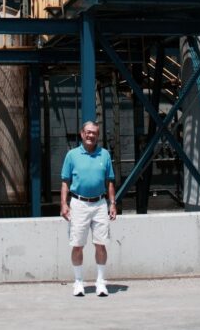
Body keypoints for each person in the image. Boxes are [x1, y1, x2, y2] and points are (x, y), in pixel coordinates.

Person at [61, 120, 117, 297]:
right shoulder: (72, 155)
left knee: (101, 244)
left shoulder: (105, 155)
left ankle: (100, 282)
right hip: (79, 204)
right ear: (82, 134)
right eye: (88, 132)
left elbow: (110, 182)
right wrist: (63, 204)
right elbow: (65, 181)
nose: (91, 135)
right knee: (77, 245)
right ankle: (78, 282)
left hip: (100, 204)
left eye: (94, 133)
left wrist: (112, 203)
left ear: (97, 135)